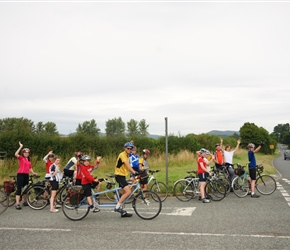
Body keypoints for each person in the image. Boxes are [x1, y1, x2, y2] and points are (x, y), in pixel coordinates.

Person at [114, 142, 138, 218]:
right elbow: (127, 166)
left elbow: (130, 166)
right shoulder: (123, 155)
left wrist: (138, 171)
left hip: (123, 176)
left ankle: (123, 212)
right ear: (125, 148)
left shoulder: (128, 155)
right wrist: (134, 172)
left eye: (131, 148)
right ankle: (117, 207)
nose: (129, 150)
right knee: (128, 191)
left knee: (123, 193)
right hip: (119, 176)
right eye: (128, 148)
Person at [14, 141, 37, 210]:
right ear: (23, 153)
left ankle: (25, 201)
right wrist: (21, 147)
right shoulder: (21, 158)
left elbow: (30, 168)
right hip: (20, 174)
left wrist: (33, 173)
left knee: (25, 188)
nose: (26, 154)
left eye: (27, 153)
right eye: (25, 153)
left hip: (26, 175)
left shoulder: (28, 160)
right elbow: (16, 154)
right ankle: (17, 203)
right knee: (19, 189)